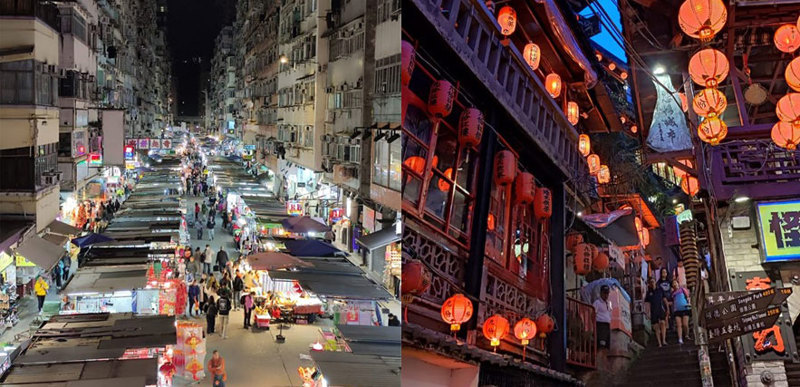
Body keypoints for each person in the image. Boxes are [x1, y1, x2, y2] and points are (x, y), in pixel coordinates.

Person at [645, 278, 668, 347]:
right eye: (651, 282)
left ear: (655, 282)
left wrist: (667, 309)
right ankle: (659, 343)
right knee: (656, 327)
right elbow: (647, 304)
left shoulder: (660, 290)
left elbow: (665, 299)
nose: (652, 283)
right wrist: (647, 313)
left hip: (661, 309)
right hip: (653, 310)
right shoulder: (649, 293)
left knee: (663, 323)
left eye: (653, 281)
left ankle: (664, 340)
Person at [672, 280, 692, 344]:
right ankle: (680, 338)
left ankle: (686, 335)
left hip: (685, 308)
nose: (674, 284)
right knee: (679, 325)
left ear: (678, 283)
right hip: (677, 310)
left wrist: (689, 303)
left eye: (675, 283)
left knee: (685, 324)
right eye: (673, 284)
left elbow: (688, 297)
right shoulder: (672, 293)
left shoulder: (682, 289)